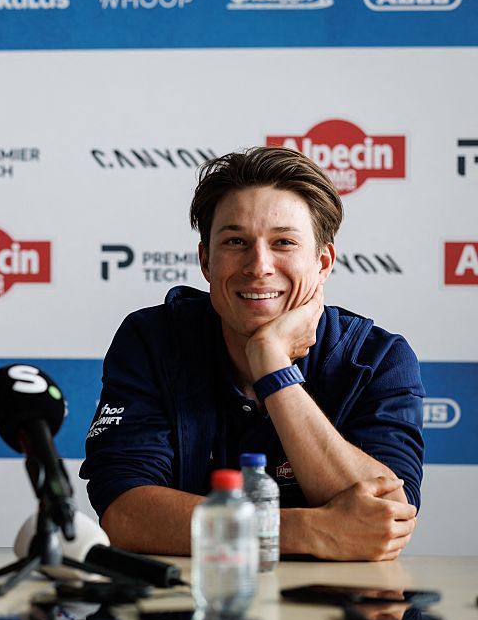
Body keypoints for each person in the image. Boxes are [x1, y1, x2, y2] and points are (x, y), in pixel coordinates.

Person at [81, 146, 424, 561]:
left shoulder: (378, 358)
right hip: (189, 593)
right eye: (235, 241)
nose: (259, 266)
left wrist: (272, 366)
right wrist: (304, 530)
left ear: (323, 263)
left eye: (284, 242)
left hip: (334, 598)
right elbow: (125, 514)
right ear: (206, 261)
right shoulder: (152, 339)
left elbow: (388, 517)